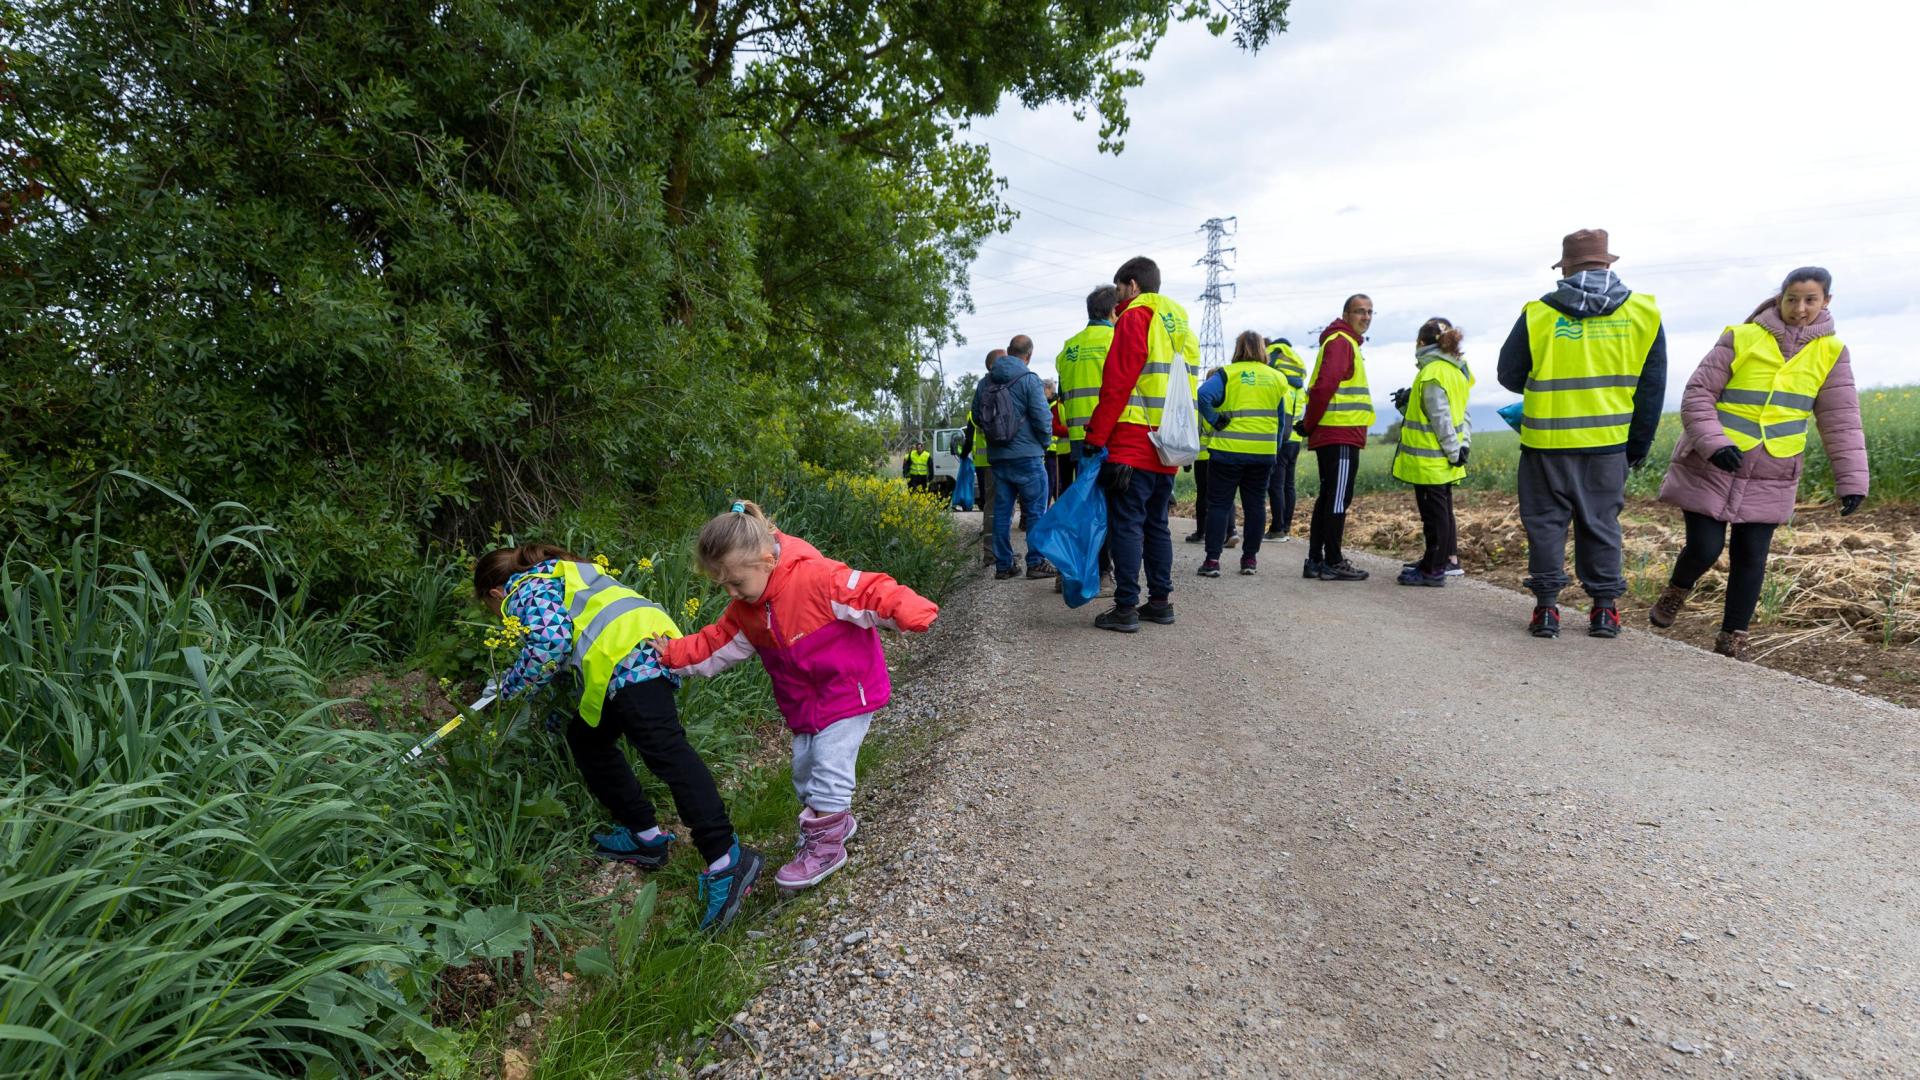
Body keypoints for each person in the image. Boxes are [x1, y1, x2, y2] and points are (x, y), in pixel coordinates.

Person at [474, 543, 762, 933]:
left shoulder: (522, 590)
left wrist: (508, 688)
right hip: (638, 648)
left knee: (666, 752)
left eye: (492, 609)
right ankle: (645, 836)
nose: (500, 615)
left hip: (628, 657)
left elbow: (551, 642)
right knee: (587, 739)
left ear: (495, 593)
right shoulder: (561, 573)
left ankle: (726, 859)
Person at [655, 501, 938, 892]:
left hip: (846, 690)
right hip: (803, 703)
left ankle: (827, 847)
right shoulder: (746, 609)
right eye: (724, 587)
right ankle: (836, 821)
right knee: (804, 771)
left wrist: (907, 608)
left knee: (828, 767)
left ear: (767, 561)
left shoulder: (817, 578)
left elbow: (869, 591)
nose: (732, 593)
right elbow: (715, 643)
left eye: (737, 583)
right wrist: (671, 655)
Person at [1649, 267, 1868, 660]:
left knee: (1752, 555)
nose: (1799, 308)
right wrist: (1714, 444)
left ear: (1826, 302)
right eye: (1792, 299)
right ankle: (1677, 590)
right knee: (1704, 547)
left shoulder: (1832, 352)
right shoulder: (1741, 336)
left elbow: (1842, 420)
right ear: (1779, 298)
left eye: (1810, 300)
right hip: (1713, 463)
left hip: (1773, 469)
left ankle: (1732, 635)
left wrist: (1853, 481)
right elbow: (1698, 394)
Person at [1497, 228, 1666, 639]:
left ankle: (1546, 611)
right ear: (1608, 264)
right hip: (1608, 445)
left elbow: (1508, 375)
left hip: (1545, 445)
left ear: (1566, 267)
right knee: (1601, 525)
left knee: (1545, 525)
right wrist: (1637, 447)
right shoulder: (1644, 314)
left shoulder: (1539, 313)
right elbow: (1651, 388)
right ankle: (1604, 611)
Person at [1082, 255, 1196, 632]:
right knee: (1157, 525)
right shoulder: (1179, 322)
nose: (1117, 301)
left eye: (1119, 290)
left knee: (1127, 524)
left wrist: (1095, 437)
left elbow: (1117, 383)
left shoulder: (1136, 317)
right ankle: (1160, 602)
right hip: (1168, 441)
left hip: (1133, 438)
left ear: (1132, 285)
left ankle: (1126, 607)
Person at [1297, 295, 1377, 581]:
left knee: (1330, 495)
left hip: (1337, 432)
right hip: (1340, 431)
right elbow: (1324, 386)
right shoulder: (1342, 342)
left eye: (1370, 312)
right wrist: (1309, 423)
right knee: (1338, 498)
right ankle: (1332, 560)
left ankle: (1316, 560)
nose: (1366, 317)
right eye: (1360, 311)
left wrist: (1310, 424)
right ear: (1346, 314)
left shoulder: (1342, 342)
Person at [1390, 318, 1472, 587]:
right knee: (1443, 512)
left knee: (1434, 516)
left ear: (1421, 343)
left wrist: (1451, 451)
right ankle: (1438, 562)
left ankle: (1433, 569)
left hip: (1430, 461)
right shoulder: (1456, 370)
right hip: (1447, 458)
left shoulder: (1432, 373)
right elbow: (1462, 413)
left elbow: (1441, 418)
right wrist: (1462, 447)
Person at [1197, 330, 1286, 576]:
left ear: (1238, 349)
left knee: (1218, 505)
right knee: (1255, 505)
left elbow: (1203, 395)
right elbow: (1280, 418)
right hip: (1262, 452)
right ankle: (1249, 560)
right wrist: (1274, 449)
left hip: (1228, 451)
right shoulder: (1277, 378)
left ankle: (1212, 561)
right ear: (1262, 349)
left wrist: (1215, 419)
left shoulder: (1229, 374)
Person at [972, 335, 1058, 580]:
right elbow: (1043, 418)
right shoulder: (1030, 380)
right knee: (1035, 511)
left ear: (1009, 351)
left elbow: (978, 416)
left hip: (998, 458)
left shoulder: (985, 382)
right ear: (1028, 355)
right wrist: (1042, 443)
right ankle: (1035, 562)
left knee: (1002, 511)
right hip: (1028, 456)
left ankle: (1003, 565)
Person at [1056, 286, 1117, 490]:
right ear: (1113, 310)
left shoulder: (1069, 347)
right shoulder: (1116, 339)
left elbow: (1062, 395)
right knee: (1111, 501)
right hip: (1109, 433)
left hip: (1077, 437)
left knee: (1086, 495)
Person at [959, 348, 1005, 564]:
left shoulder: (981, 388)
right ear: (994, 365)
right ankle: (997, 554)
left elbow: (976, 422)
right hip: (1000, 457)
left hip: (987, 459)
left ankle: (993, 552)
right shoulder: (1003, 384)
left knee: (993, 505)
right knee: (999, 505)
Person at [1264, 337, 1308, 543]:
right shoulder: (1299, 386)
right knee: (1288, 485)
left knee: (1276, 484)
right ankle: (1286, 526)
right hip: (1296, 440)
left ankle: (1277, 528)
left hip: (1282, 438)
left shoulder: (1281, 384)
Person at [1044, 379, 1070, 498]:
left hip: (1059, 451)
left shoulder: (1056, 405)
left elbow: (1053, 427)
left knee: (1057, 484)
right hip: (1060, 450)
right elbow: (1054, 428)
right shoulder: (1055, 405)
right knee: (1059, 485)